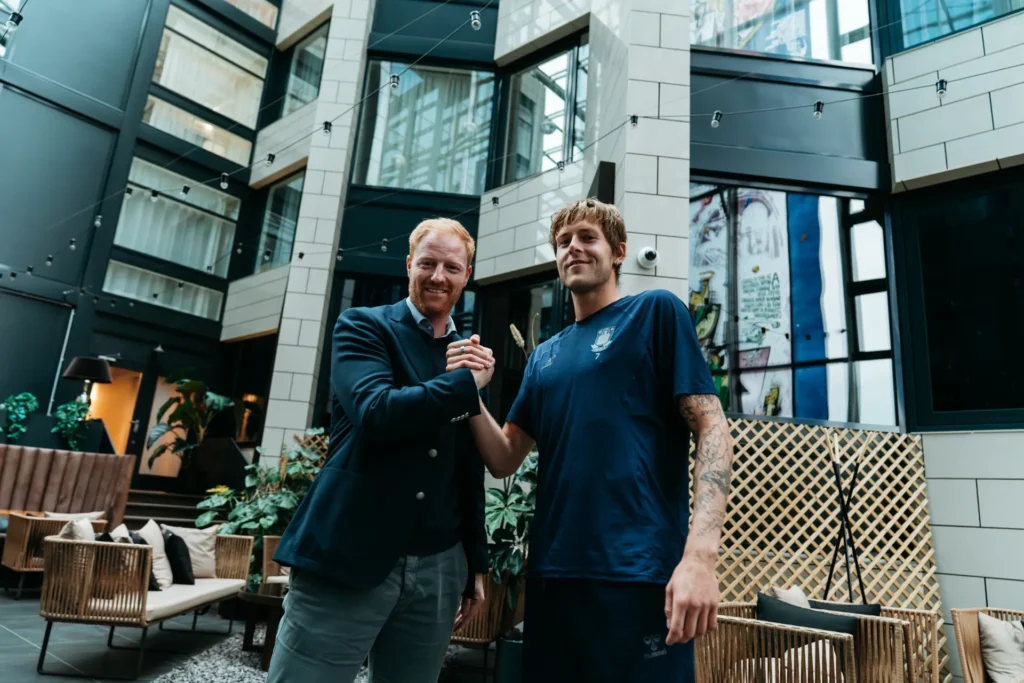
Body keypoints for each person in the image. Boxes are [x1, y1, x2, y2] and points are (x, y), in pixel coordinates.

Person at [447, 198, 735, 682]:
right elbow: (504, 458)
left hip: (637, 573)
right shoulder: (545, 357)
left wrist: (700, 558)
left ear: (619, 251)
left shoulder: (655, 312)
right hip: (552, 578)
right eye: (563, 242)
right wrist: (466, 390)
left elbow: (713, 428)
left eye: (587, 237)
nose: (573, 248)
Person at [268, 218, 494, 683]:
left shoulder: (466, 356)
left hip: (439, 566)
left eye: (452, 267)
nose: (438, 276)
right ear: (409, 265)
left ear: (466, 275)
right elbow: (376, 412)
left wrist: (475, 563)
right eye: (427, 263)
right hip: (348, 551)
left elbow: (466, 468)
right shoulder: (362, 326)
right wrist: (463, 385)